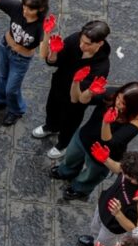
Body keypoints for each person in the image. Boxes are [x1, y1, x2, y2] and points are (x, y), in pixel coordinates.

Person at [50, 82, 138, 200]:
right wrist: (89, 91)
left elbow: (110, 142)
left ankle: (79, 189)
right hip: (84, 136)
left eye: (123, 103)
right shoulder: (112, 94)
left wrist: (106, 123)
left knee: (91, 174)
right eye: (118, 98)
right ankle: (65, 172)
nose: (118, 103)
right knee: (71, 157)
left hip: (103, 152)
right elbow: (83, 100)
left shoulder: (136, 122)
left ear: (134, 106)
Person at [33, 20, 112, 159]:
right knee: (51, 108)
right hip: (59, 85)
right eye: (82, 41)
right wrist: (53, 53)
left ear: (100, 43)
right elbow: (54, 62)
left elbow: (77, 98)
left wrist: (76, 82)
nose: (82, 46)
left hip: (76, 100)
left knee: (69, 122)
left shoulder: (102, 65)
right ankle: (51, 126)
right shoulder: (75, 38)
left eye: (88, 44)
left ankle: (63, 143)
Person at [0, 0, 50, 126]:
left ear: (40, 9)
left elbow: (43, 54)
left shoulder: (41, 25)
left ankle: (16, 110)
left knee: (12, 88)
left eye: (30, 9)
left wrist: (47, 32)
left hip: (21, 59)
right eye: (24, 6)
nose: (25, 11)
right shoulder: (16, 7)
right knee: (1, 76)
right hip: (5, 48)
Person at [76, 151, 138, 246]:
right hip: (103, 208)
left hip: (112, 228)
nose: (122, 172)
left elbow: (132, 227)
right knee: (95, 230)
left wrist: (118, 214)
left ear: (134, 179)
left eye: (125, 173)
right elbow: (119, 168)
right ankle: (94, 242)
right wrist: (106, 159)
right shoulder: (131, 170)